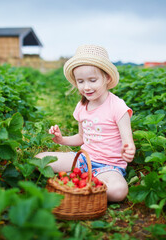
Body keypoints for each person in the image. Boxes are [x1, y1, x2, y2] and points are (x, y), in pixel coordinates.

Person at [35, 45, 135, 202]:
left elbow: (128, 140)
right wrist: (62, 140)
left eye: (92, 80)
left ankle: (79, 187)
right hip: (82, 160)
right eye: (80, 81)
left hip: (108, 167)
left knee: (118, 191)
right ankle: (88, 186)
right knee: (39, 159)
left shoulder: (118, 106)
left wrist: (128, 149)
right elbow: (82, 137)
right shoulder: (82, 106)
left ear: (107, 78)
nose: (86, 87)